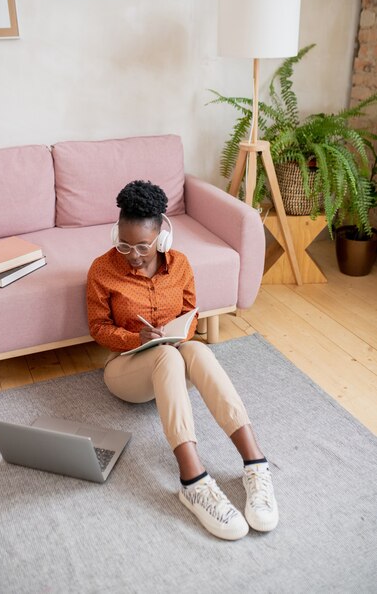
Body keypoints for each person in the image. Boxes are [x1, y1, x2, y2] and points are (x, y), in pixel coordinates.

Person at [87, 180, 279, 541]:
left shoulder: (180, 266)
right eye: (124, 244)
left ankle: (255, 463)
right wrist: (136, 338)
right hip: (125, 369)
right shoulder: (102, 269)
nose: (133, 254)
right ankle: (193, 481)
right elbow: (98, 328)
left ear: (162, 238)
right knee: (166, 357)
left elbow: (191, 314)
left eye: (143, 246)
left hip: (172, 358)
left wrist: (177, 333)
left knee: (197, 351)